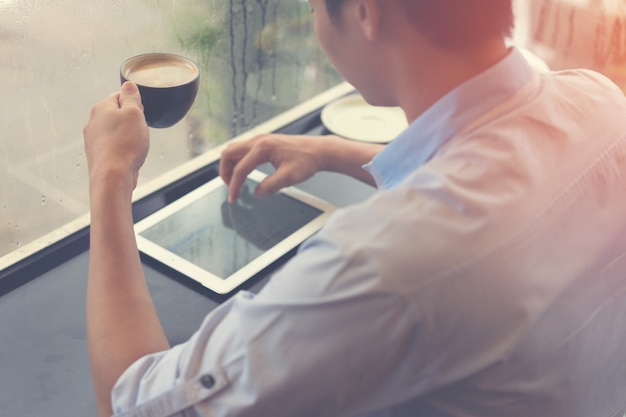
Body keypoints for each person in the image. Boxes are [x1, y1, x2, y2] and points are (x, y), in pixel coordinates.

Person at [83, 0, 626, 416]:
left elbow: (132, 400)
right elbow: (501, 167)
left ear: (366, 12)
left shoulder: (378, 267)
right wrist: (331, 152)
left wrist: (110, 176)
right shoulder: (601, 103)